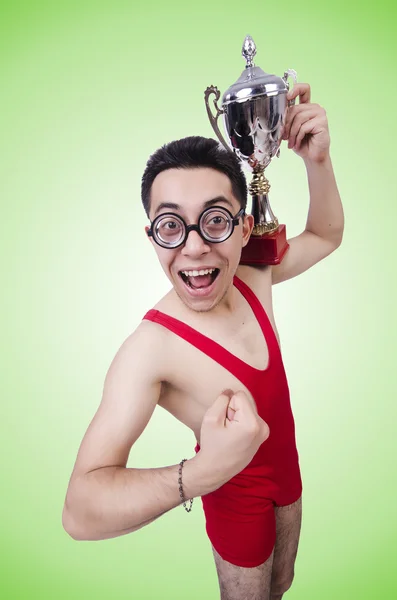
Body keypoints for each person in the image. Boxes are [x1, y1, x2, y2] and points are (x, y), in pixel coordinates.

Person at [62, 83, 344, 600]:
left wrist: (317, 163)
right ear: (153, 236)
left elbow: (325, 235)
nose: (194, 248)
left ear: (242, 228)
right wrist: (199, 473)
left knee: (283, 584)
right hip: (235, 504)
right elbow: (79, 511)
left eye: (214, 220)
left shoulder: (255, 271)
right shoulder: (151, 348)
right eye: (171, 225)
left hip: (290, 481)